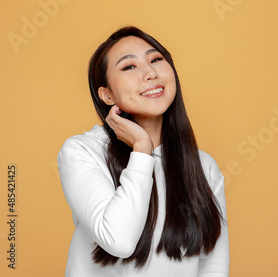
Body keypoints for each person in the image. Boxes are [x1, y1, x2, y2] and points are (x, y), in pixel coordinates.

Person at [58, 26, 229, 276]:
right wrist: (141, 149)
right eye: (129, 67)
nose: (150, 73)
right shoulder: (82, 152)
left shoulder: (203, 166)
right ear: (107, 95)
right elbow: (119, 240)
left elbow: (212, 264)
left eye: (156, 59)